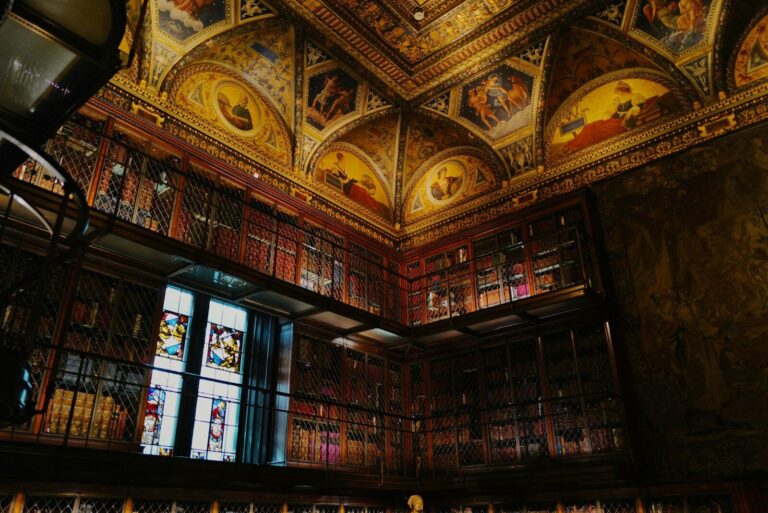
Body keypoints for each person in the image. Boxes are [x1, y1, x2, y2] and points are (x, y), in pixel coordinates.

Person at [563, 81, 646, 154]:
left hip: (621, 123)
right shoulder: (618, 100)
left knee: (598, 132)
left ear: (624, 89)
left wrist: (631, 111)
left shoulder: (634, 96)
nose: (618, 92)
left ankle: (575, 147)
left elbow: (638, 107)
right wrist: (611, 109)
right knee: (590, 126)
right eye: (617, 91)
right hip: (612, 120)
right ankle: (572, 145)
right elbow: (609, 112)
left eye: (619, 90)